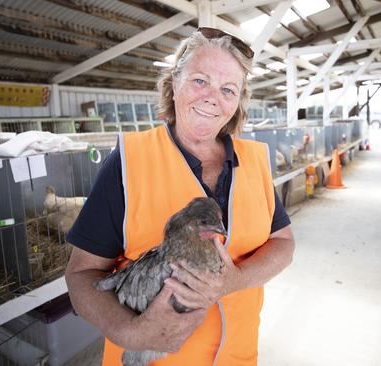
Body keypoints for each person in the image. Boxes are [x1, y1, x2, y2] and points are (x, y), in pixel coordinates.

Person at [65, 27, 295, 366]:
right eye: (200, 81)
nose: (212, 98)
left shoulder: (254, 161)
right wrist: (131, 333)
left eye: (228, 89)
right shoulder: (129, 163)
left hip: (238, 358)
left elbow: (284, 242)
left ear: (237, 103)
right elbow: (80, 276)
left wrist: (236, 281)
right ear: (174, 83)